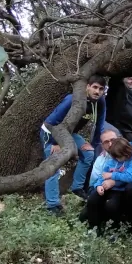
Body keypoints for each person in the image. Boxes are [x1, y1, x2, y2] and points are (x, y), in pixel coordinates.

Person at [41, 75, 107, 211]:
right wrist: (57, 143)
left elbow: (99, 125)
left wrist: (93, 145)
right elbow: (52, 122)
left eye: (101, 89)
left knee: (89, 153)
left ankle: (77, 188)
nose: (97, 92)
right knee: (54, 162)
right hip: (50, 132)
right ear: (87, 86)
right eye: (94, 87)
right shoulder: (72, 100)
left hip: (68, 133)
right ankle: (52, 204)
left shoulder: (100, 102)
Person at [84, 138, 132, 230]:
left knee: (111, 206)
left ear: (126, 153)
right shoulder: (112, 161)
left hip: (120, 189)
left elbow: (131, 176)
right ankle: (94, 226)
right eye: (116, 157)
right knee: (92, 199)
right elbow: (103, 175)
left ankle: (114, 227)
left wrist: (112, 175)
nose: (118, 159)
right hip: (106, 186)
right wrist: (98, 185)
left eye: (120, 157)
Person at [105, 76, 132, 141]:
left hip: (128, 130)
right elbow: (115, 80)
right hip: (116, 127)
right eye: (130, 79)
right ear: (123, 80)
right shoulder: (118, 90)